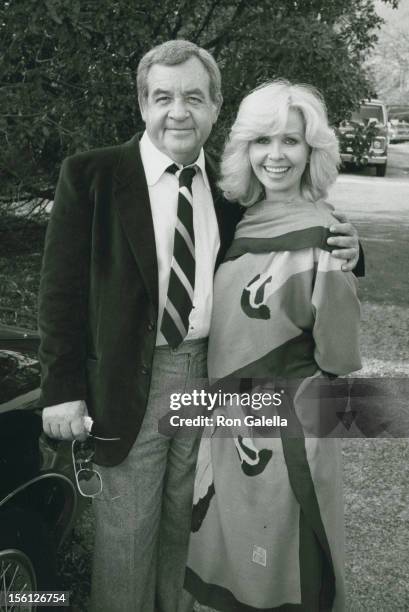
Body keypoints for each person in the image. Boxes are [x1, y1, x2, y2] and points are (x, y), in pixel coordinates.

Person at [37, 40, 361, 612]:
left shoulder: (233, 189)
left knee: (190, 527)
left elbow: (298, 237)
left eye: (194, 97)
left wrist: (355, 253)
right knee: (126, 532)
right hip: (130, 378)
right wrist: (62, 390)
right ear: (142, 104)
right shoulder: (91, 175)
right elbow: (59, 295)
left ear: (215, 107)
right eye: (163, 97)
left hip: (213, 376)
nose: (178, 112)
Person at [184, 81, 362, 611]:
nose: (276, 155)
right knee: (226, 558)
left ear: (313, 151)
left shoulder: (327, 234)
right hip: (224, 420)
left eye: (291, 141)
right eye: (263, 141)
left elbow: (338, 356)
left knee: (285, 571)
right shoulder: (239, 219)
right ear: (245, 149)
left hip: (288, 433)